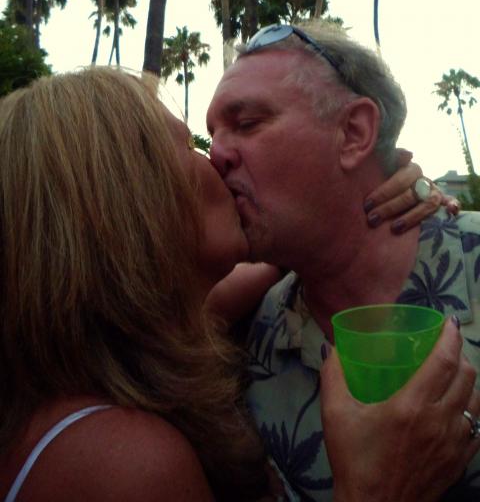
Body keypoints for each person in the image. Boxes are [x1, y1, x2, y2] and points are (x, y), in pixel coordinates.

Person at [0, 67, 473, 501]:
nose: (217, 156)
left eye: (247, 124)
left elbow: (280, 258)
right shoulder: (123, 466)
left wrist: (359, 200)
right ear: (125, 204)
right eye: (191, 146)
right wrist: (375, 490)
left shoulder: (119, 350)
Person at [206, 23, 480, 501]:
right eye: (213, 134)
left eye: (246, 124)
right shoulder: (239, 342)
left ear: (354, 133)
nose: (215, 155)